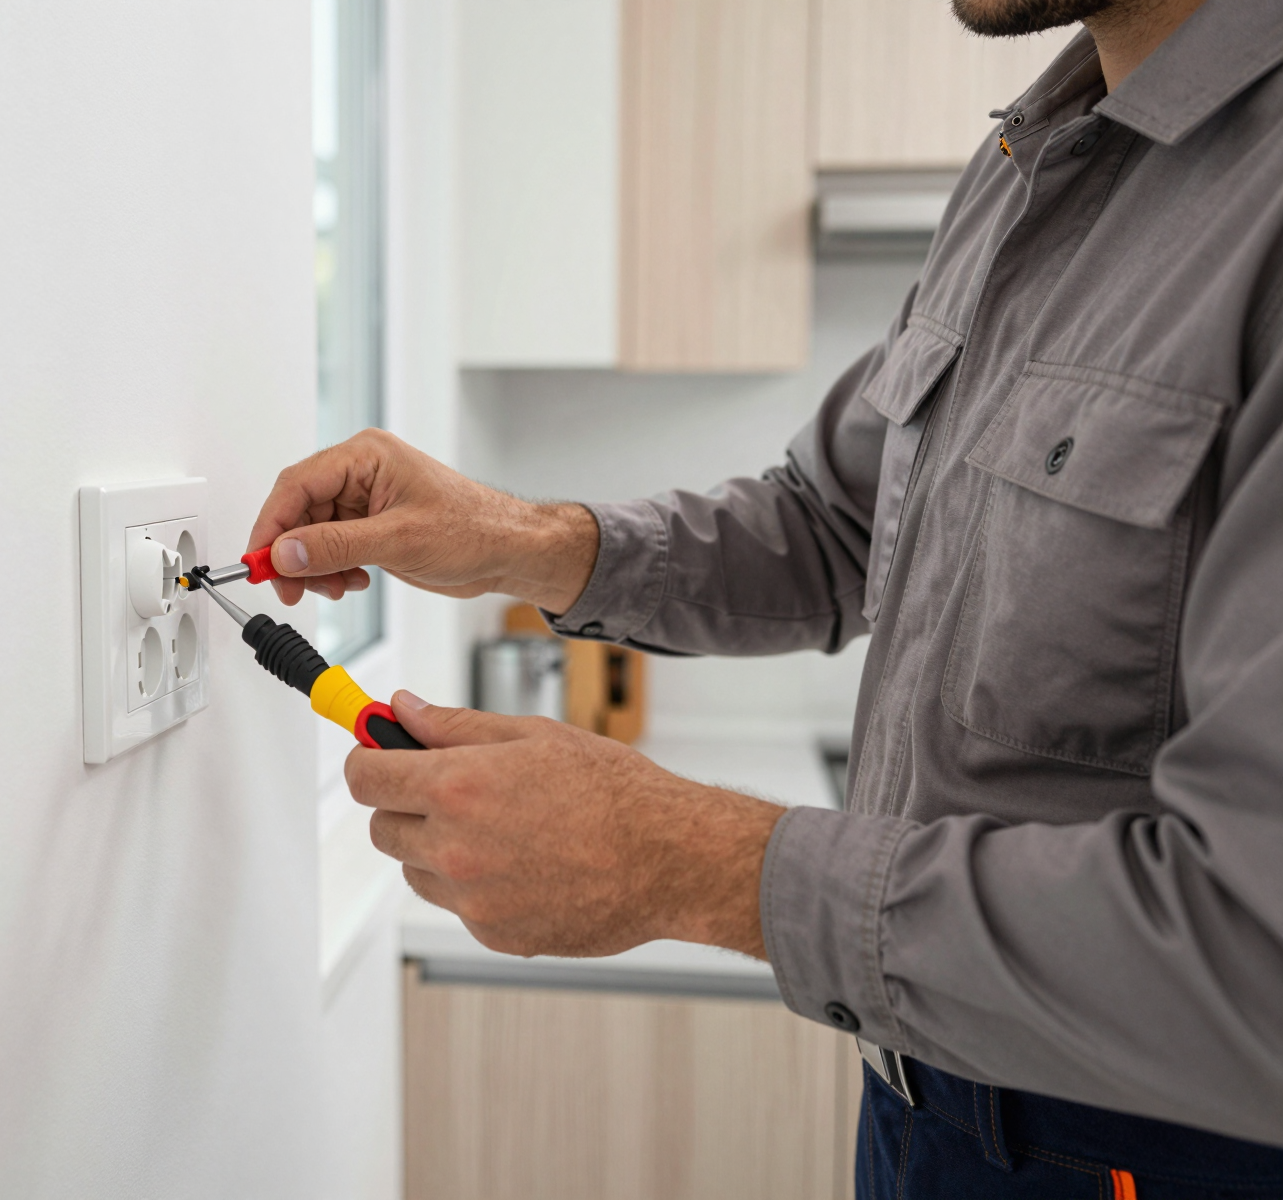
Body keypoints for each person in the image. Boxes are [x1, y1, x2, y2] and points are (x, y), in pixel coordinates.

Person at [253, 0, 1283, 1194]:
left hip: (1153, 1150)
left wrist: (685, 861)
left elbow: (1254, 943)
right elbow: (838, 521)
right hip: (922, 1108)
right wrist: (516, 541)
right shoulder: (1032, 157)